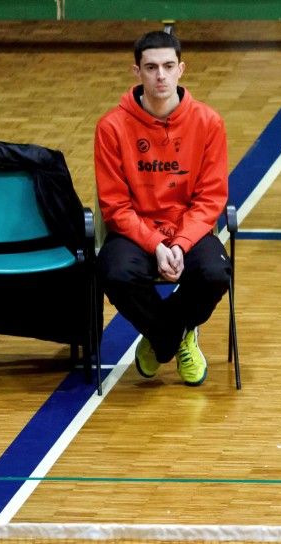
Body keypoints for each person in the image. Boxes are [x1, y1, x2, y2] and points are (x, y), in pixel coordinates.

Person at [95, 30, 230, 386]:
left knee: (215, 275)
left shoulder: (209, 122)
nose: (161, 76)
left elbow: (212, 198)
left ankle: (161, 335)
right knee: (114, 274)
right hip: (134, 229)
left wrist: (181, 243)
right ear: (135, 71)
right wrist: (156, 244)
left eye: (169, 66)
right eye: (151, 67)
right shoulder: (111, 127)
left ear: (181, 69)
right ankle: (172, 335)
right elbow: (114, 205)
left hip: (188, 226)